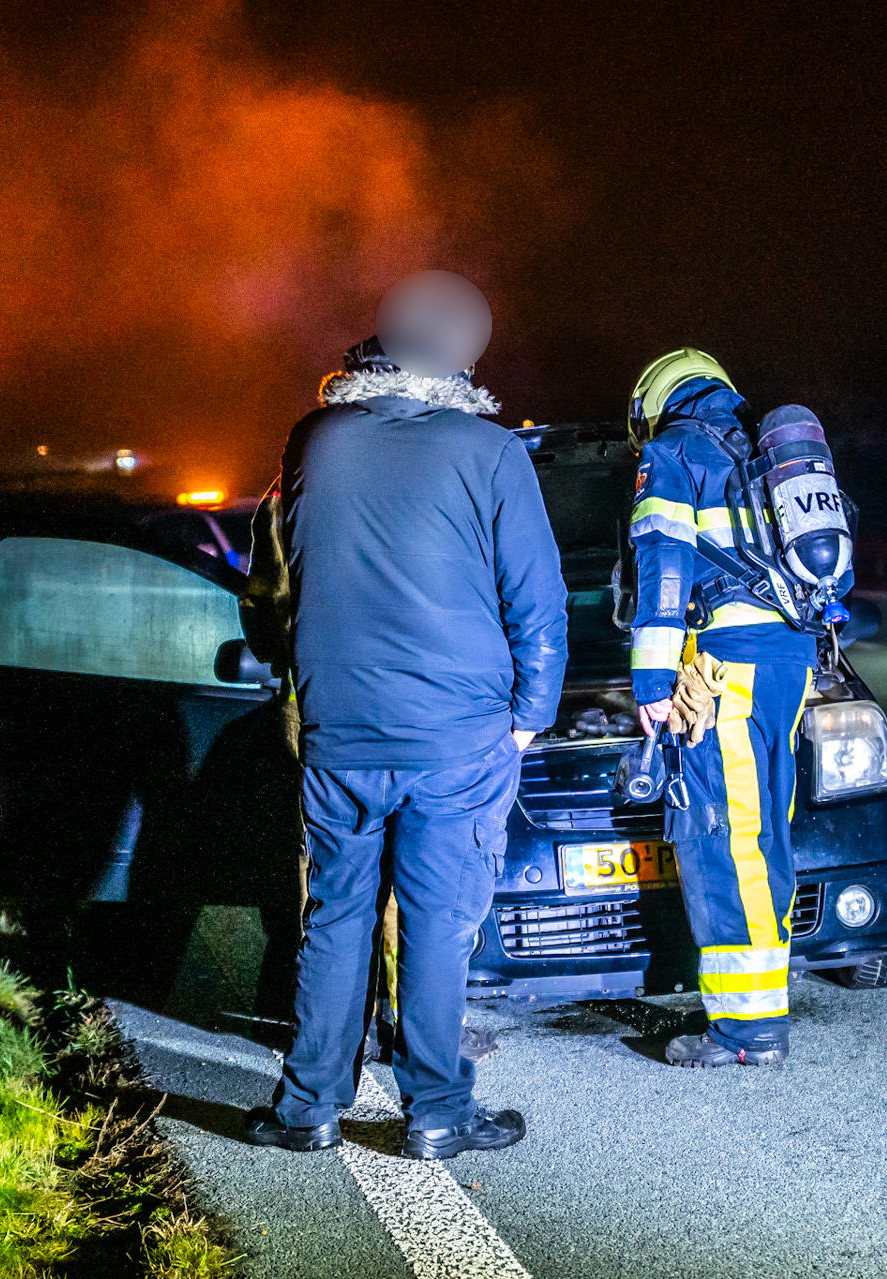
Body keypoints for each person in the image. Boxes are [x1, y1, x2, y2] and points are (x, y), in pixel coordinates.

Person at [243, 334, 568, 1157]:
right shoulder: (490, 451)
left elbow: (274, 586)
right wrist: (528, 715)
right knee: (436, 924)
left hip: (338, 732)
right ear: (458, 367)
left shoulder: (314, 439)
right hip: (456, 741)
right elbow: (538, 600)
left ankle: (308, 1106)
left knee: (335, 917)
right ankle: (437, 1113)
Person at [626, 350, 850, 1068]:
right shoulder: (762, 455)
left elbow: (663, 569)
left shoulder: (672, 452)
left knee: (726, 838)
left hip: (725, 670)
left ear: (655, 403)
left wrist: (653, 681)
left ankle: (748, 1026)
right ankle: (754, 1006)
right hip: (786, 663)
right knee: (763, 833)